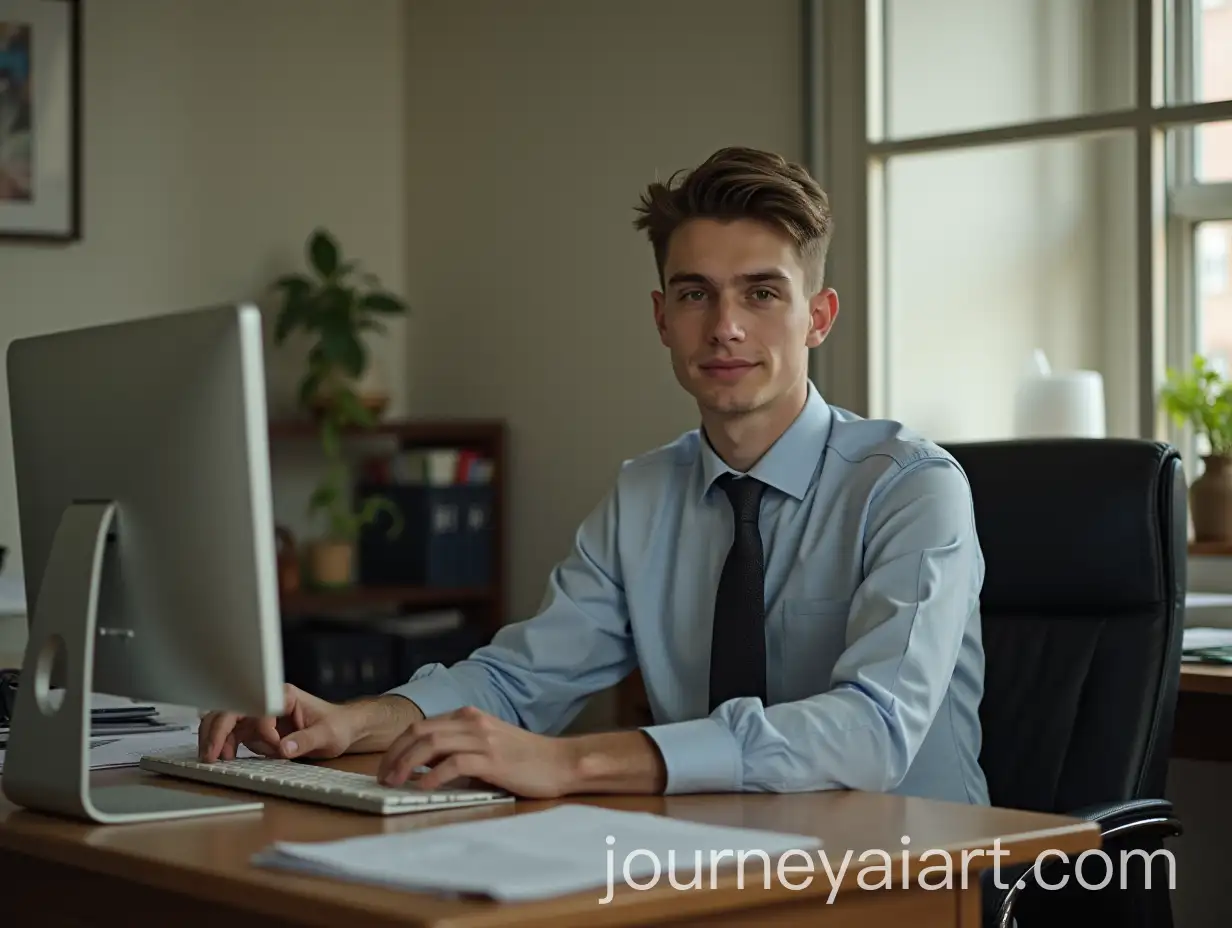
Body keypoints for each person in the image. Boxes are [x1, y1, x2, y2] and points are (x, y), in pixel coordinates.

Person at [199, 146, 989, 806]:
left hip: (917, 874)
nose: (726, 327)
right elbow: (519, 680)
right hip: (707, 860)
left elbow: (874, 732)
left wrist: (571, 762)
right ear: (661, 319)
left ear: (818, 316)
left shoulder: (913, 489)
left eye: (762, 292)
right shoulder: (645, 494)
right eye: (695, 294)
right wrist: (356, 721)